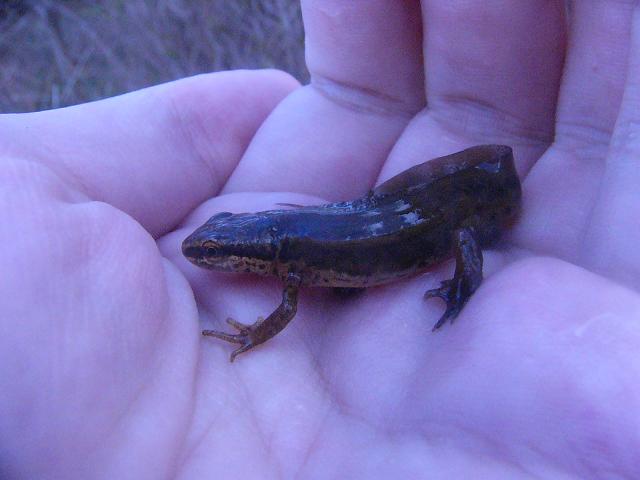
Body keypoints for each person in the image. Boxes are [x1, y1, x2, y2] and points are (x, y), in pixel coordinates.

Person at [1, 1, 639, 478]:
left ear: (261, 253)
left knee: (464, 233)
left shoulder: (291, 273)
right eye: (217, 250)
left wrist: (252, 336)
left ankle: (465, 284)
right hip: (392, 216)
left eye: (220, 252)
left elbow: (283, 312)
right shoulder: (290, 258)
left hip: (428, 226)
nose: (210, 257)